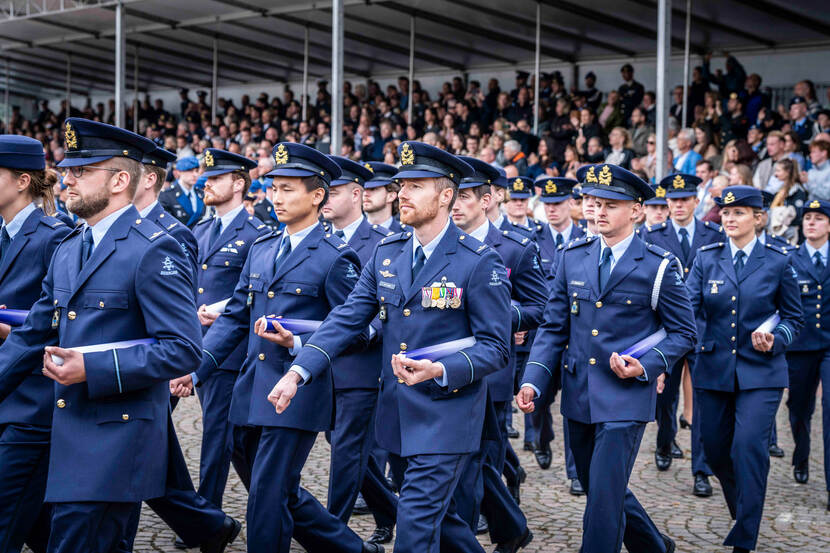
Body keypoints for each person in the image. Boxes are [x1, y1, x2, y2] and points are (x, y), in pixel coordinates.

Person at [0, 119, 240, 552]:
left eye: (81, 171)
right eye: (68, 169)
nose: (66, 180)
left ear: (120, 180)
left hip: (117, 438)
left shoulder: (153, 247)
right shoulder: (72, 246)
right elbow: (35, 330)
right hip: (69, 433)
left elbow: (183, 348)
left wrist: (90, 367)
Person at [272, 141, 512, 553]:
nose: (402, 193)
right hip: (396, 416)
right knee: (445, 526)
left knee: (415, 528)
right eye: (401, 184)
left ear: (446, 194)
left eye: (416, 185)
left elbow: (496, 347)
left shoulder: (478, 260)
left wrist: (441, 369)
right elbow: (346, 319)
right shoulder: (387, 254)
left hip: (447, 416)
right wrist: (298, 371)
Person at [172, 142, 381, 553]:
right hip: (251, 386)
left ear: (317, 195)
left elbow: (358, 326)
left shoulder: (336, 257)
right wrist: (198, 369)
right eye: (273, 188)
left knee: (265, 498)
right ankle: (352, 549)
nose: (277, 197)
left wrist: (301, 341)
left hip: (297, 393)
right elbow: (235, 318)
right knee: (282, 491)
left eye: (288, 189)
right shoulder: (263, 247)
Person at [517, 163, 695, 553]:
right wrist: (533, 379)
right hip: (579, 394)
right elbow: (552, 327)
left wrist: (648, 365)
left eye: (609, 205)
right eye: (592, 203)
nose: (597, 212)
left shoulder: (658, 265)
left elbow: (685, 332)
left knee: (601, 500)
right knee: (601, 486)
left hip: (626, 396)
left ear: (636, 210)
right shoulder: (572, 256)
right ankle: (654, 546)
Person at [686, 185, 803, 553]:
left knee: (749, 446)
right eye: (725, 212)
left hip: (761, 372)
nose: (730, 219)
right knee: (716, 451)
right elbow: (687, 307)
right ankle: (744, 510)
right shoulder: (706, 258)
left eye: (739, 213)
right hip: (714, 366)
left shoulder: (778, 260)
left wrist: (777, 338)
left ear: (758, 217)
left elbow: (793, 318)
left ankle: (745, 537)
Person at [452, 155, 545, 552]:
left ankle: (477, 532)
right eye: (451, 196)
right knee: (464, 459)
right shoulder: (443, 243)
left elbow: (541, 306)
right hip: (448, 368)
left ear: (487, 200)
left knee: (482, 459)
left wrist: (502, 313)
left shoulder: (514, 248)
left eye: (465, 197)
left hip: (491, 373)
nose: (455, 205)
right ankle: (507, 527)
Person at [177, 148, 268, 509]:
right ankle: (273, 500)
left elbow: (252, 291)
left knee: (218, 434)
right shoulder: (200, 228)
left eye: (215, 178)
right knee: (236, 439)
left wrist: (219, 309)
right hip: (198, 342)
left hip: (230, 350)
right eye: (205, 177)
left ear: (238, 183)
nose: (206, 184)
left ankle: (207, 512)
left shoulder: (257, 233)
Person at [320, 155, 399, 542]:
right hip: (325, 361)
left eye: (333, 192)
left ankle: (331, 531)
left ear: (357, 194)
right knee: (342, 444)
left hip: (364, 364)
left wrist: (368, 331)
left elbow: (394, 308)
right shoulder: (320, 239)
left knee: (347, 450)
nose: (326, 199)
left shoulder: (385, 243)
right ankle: (389, 509)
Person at [0, 135, 71, 553]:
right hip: (5, 394)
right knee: (40, 527)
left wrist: (7, 331)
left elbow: (64, 323)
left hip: (32, 400)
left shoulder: (54, 237)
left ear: (23, 180)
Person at [642, 173, 724, 498]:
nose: (677, 206)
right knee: (666, 395)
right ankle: (665, 440)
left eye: (683, 200)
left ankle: (701, 469)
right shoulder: (653, 235)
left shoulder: (713, 233)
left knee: (702, 398)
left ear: (694, 201)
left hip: (705, 328)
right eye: (672, 200)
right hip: (668, 329)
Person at [528, 175, 585, 495]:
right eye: (546, 205)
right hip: (545, 331)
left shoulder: (584, 238)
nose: (551, 210)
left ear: (570, 204)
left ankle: (576, 471)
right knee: (541, 399)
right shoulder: (534, 240)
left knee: (574, 402)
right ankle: (541, 436)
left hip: (577, 333)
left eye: (557, 204)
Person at [784, 199, 830, 509]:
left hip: (829, 346)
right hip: (800, 346)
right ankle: (801, 452)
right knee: (799, 407)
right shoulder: (790, 259)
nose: (811, 223)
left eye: (818, 218)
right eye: (807, 218)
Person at [160, 156, 206, 228]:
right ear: (179, 172)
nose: (195, 174)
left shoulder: (201, 194)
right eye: (190, 170)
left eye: (196, 171)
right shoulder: (167, 195)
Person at [361, 161, 405, 232]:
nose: (365, 194)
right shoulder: (351, 232)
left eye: (373, 189)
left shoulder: (406, 233)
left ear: (391, 196)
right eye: (363, 189)